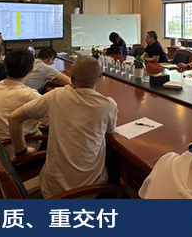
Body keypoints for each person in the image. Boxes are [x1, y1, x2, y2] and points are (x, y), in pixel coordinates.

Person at [9, 56, 118, 199]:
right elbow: (110, 130)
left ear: (71, 78)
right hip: (89, 192)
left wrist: (21, 151)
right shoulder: (108, 105)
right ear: (100, 76)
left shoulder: (55, 95)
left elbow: (14, 117)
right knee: (113, 156)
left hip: (51, 189)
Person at [0, 49, 42, 154]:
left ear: (5, 68)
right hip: (16, 148)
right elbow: (54, 118)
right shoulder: (30, 95)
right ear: (31, 69)